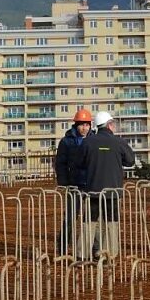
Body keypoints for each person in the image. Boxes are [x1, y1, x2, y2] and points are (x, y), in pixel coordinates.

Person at [78, 110, 135, 258]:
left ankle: (82, 254)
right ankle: (110, 254)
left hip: (93, 190)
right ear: (109, 125)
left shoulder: (87, 142)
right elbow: (130, 161)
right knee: (111, 222)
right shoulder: (119, 142)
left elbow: (80, 163)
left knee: (89, 222)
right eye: (113, 124)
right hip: (113, 191)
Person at [54, 108, 93, 254]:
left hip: (90, 184)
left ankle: (90, 249)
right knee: (70, 218)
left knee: (91, 219)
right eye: (82, 124)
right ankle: (63, 248)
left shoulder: (93, 140)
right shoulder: (66, 141)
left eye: (87, 124)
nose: (85, 127)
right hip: (74, 184)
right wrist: (63, 182)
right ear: (76, 125)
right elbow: (60, 163)